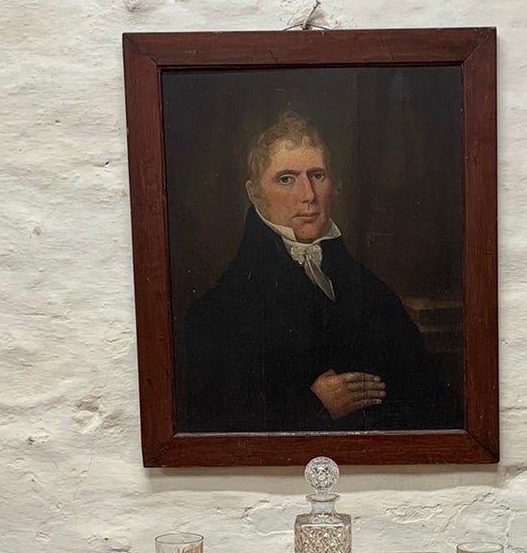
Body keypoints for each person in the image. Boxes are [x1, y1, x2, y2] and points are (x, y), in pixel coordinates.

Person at [182, 111, 461, 432]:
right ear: (254, 192)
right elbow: (214, 426)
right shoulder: (215, 313)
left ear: (334, 185)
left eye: (317, 175)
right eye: (286, 178)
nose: (308, 196)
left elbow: (432, 403)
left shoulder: (372, 292)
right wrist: (313, 404)